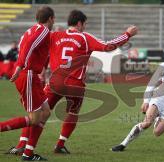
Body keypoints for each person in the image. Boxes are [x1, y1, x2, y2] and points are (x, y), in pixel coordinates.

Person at [7, 9, 138, 155]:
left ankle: (23, 145)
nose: (85, 27)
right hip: (74, 85)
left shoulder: (54, 35)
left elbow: (42, 52)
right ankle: (60, 144)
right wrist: (127, 34)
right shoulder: (84, 38)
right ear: (80, 23)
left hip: (54, 83)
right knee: (72, 113)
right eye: (85, 24)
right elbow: (107, 46)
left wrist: (42, 69)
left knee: (38, 113)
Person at [1, 6, 55, 161]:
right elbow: (28, 46)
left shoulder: (31, 30)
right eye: (54, 18)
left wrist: (41, 69)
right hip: (28, 75)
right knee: (34, 119)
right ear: (50, 18)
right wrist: (19, 66)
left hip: (32, 76)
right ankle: (27, 154)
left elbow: (28, 46)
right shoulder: (43, 30)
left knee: (45, 112)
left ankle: (28, 153)